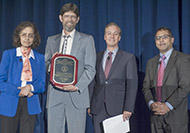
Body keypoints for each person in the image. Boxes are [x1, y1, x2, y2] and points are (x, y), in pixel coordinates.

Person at [45, 3, 96, 133]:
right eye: (67, 16)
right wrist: (51, 64)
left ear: (77, 19)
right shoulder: (52, 40)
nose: (70, 19)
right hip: (55, 95)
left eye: (73, 17)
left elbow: (90, 69)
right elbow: (45, 66)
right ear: (61, 18)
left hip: (76, 95)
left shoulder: (87, 40)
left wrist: (77, 86)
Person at [88, 22, 138, 133]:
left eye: (115, 34)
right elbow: (92, 82)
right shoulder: (96, 57)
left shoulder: (128, 58)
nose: (112, 36)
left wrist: (128, 108)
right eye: (109, 33)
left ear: (119, 37)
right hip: (98, 108)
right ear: (104, 37)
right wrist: (89, 104)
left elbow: (132, 85)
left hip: (119, 108)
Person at [0, 21, 45, 133]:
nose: (27, 38)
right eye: (24, 34)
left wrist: (30, 88)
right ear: (18, 36)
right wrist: (18, 91)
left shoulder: (39, 58)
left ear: (34, 38)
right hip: (9, 102)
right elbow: (1, 81)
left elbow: (42, 85)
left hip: (30, 103)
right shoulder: (8, 55)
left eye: (30, 35)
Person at [142, 27, 190, 133]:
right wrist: (151, 103)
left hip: (176, 118)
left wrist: (168, 106)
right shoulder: (151, 62)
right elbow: (146, 87)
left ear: (172, 40)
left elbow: (185, 86)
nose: (161, 40)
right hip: (155, 118)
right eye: (158, 38)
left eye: (165, 37)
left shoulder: (183, 59)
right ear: (155, 42)